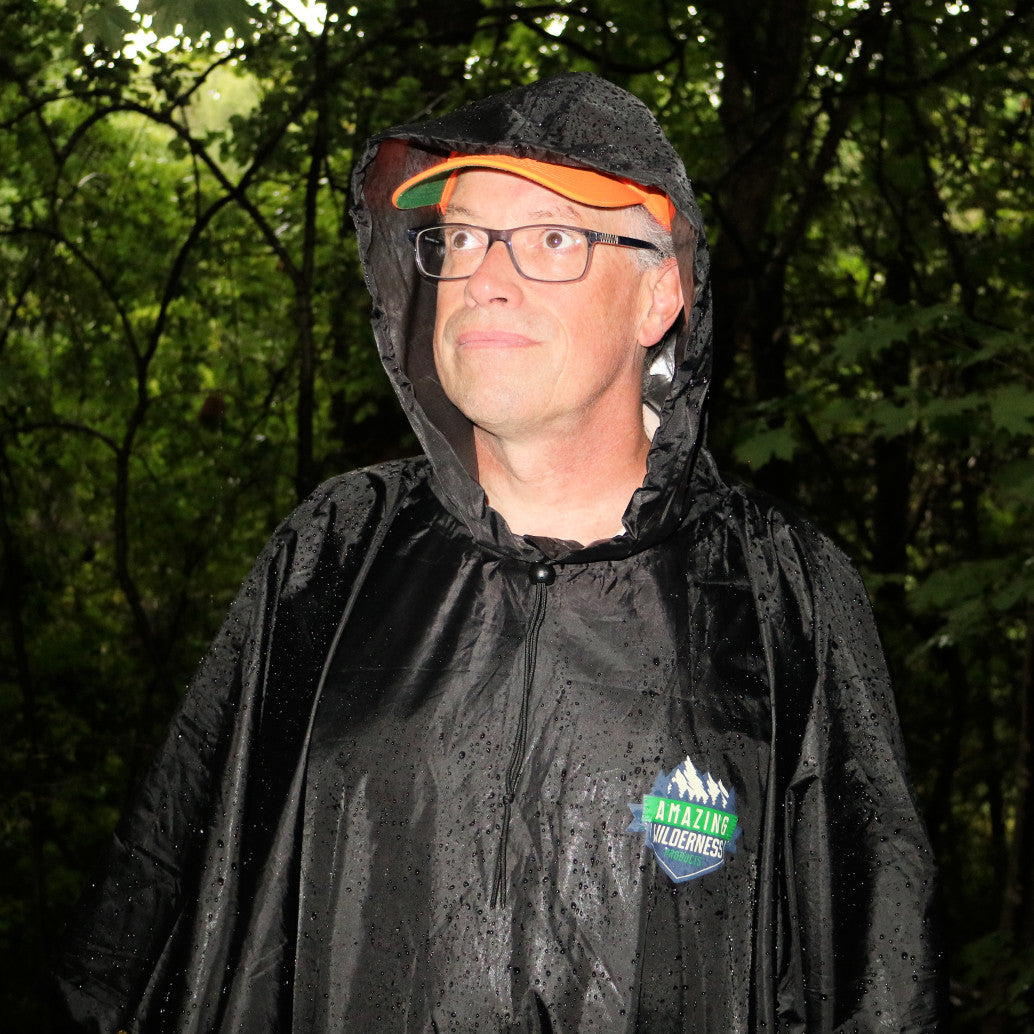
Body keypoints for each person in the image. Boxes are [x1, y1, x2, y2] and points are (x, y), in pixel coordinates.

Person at [53, 73, 943, 1032]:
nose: (485, 275)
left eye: (553, 238)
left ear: (660, 295)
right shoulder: (334, 555)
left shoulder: (778, 592)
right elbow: (166, 913)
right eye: (463, 237)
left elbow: (875, 972)